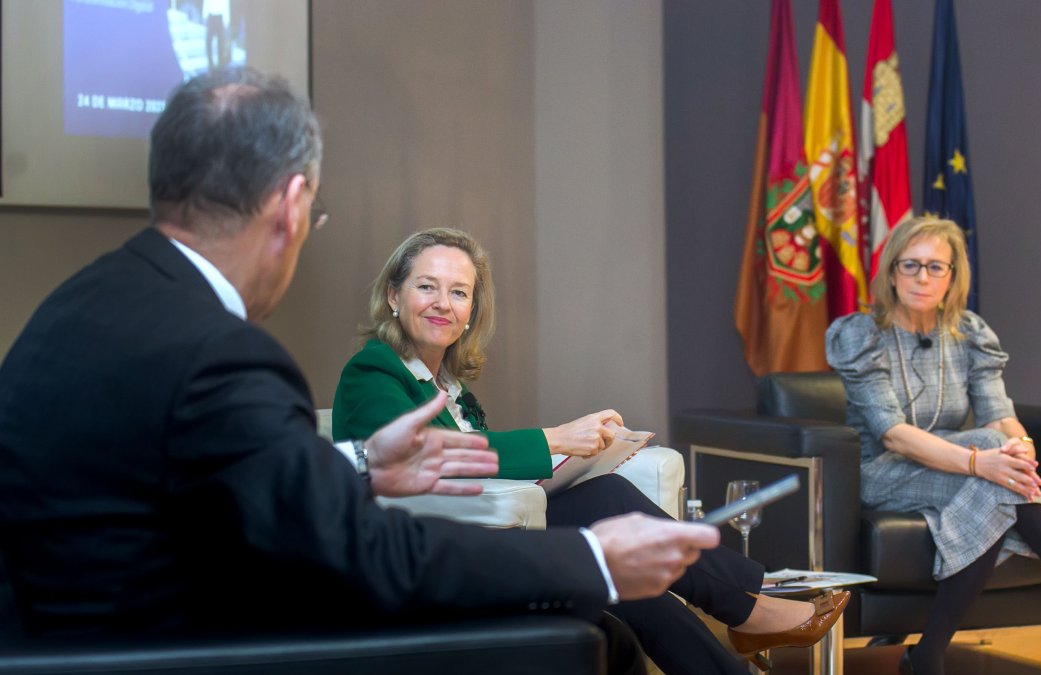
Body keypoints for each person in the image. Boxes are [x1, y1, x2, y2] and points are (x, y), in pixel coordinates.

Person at [0, 68, 716, 674]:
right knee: (591, 627)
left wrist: (360, 463)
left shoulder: (79, 304)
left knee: (606, 631)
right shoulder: (222, 352)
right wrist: (589, 557)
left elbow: (202, 480)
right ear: (290, 204)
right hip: (184, 646)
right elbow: (367, 553)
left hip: (63, 641)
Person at [332, 227, 850, 675]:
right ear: (394, 296)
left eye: (459, 292)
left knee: (629, 565)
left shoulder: (449, 385)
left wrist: (574, 462)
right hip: (421, 554)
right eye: (427, 287)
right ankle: (749, 604)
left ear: (471, 311)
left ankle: (747, 609)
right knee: (606, 503)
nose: (444, 303)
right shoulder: (373, 370)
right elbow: (426, 454)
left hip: (479, 532)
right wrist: (555, 439)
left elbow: (479, 463)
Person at [824, 216, 1041, 675]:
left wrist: (1020, 450)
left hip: (958, 467)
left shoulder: (969, 333)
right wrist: (982, 460)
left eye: (936, 267)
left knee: (999, 457)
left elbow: (1000, 413)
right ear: (891, 271)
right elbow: (892, 433)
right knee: (990, 459)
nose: (922, 277)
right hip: (884, 470)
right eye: (910, 265)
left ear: (954, 276)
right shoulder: (861, 335)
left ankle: (928, 655)